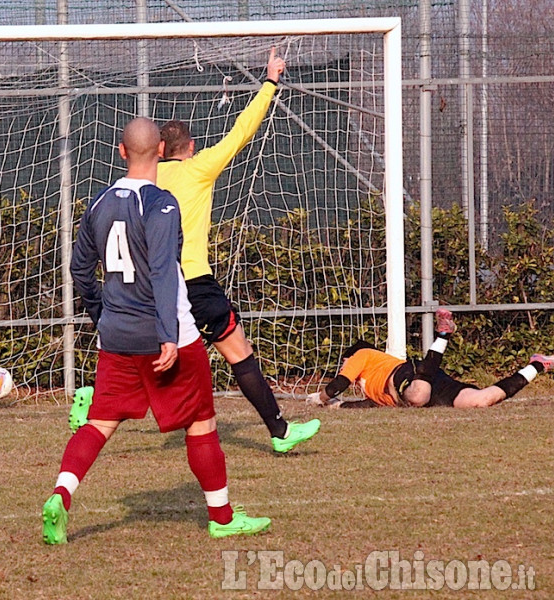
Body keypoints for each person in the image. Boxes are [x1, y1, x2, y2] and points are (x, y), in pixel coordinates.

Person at [42, 117, 271, 544]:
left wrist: (102, 314)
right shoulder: (163, 204)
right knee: (201, 423)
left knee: (99, 423)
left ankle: (61, 493)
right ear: (161, 153)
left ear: (122, 151)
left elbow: (78, 270)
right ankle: (222, 519)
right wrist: (168, 334)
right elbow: (166, 272)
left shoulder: (98, 202)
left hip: (118, 337)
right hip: (171, 339)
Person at [157, 48, 320, 452]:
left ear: (159, 151)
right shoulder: (200, 166)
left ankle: (96, 399)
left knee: (146, 358)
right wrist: (270, 81)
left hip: (156, 285)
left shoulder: (149, 177)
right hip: (194, 282)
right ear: (190, 146)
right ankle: (279, 432)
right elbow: (242, 130)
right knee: (239, 352)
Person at [306, 308, 554, 409]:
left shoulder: (362, 355)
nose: (343, 367)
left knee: (417, 394)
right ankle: (537, 365)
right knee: (483, 400)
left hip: (409, 375)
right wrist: (339, 406)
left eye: (343, 363)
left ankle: (443, 335)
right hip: (429, 382)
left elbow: (337, 385)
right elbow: (372, 405)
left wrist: (319, 398)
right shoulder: (370, 388)